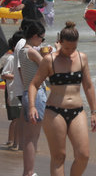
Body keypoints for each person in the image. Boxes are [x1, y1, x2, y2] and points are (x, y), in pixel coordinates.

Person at [28, 21, 96, 176]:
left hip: (77, 111)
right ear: (59, 42)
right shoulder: (49, 60)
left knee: (83, 155)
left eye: (74, 48)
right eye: (67, 48)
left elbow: (88, 86)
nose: (70, 51)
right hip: (55, 112)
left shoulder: (82, 58)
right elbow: (34, 84)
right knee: (59, 156)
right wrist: (32, 106)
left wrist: (94, 112)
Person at [18, 20, 48, 176]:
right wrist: (48, 54)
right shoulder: (32, 52)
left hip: (27, 93)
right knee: (32, 137)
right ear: (35, 36)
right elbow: (48, 67)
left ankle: (28, 171)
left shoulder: (22, 51)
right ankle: (29, 172)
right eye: (42, 38)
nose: (42, 41)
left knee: (29, 136)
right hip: (36, 94)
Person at [2, 34, 23, 151]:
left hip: (17, 91)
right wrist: (17, 76)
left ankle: (13, 141)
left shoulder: (20, 58)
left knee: (17, 119)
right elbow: (4, 74)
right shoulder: (11, 58)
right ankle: (13, 142)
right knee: (16, 119)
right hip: (13, 92)